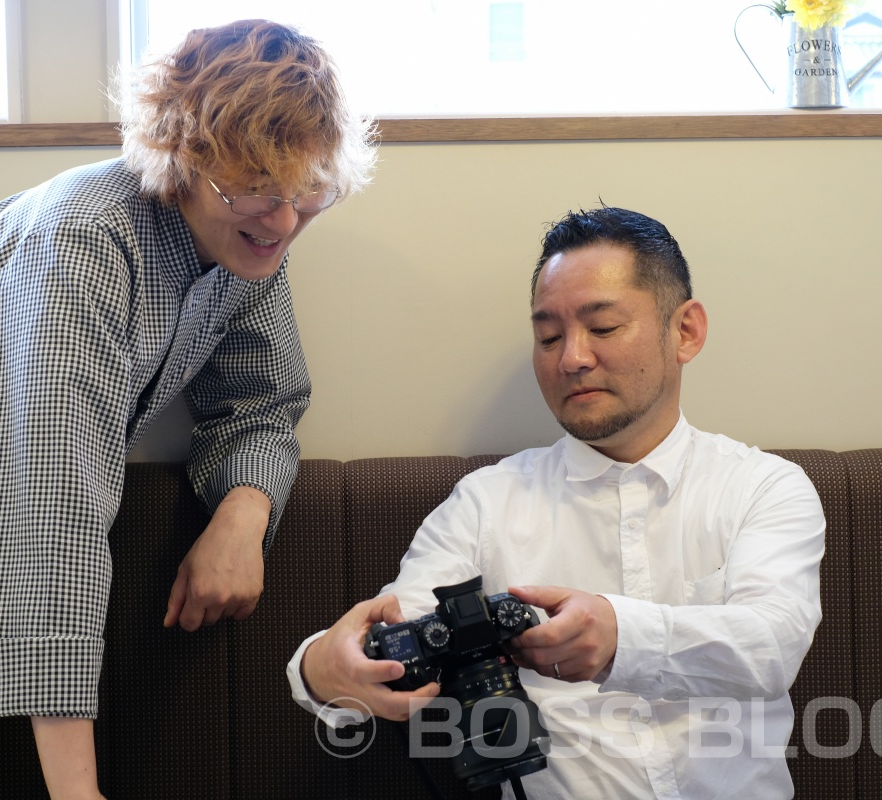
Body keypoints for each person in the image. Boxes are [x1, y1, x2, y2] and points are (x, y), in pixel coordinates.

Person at [0, 19, 375, 799]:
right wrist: (78, 793)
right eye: (253, 189)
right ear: (180, 156)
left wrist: (243, 515)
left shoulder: (247, 251)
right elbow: (47, 508)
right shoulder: (80, 239)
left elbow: (262, 403)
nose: (284, 222)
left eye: (308, 191)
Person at [289, 207, 825, 799]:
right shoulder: (487, 504)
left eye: (602, 328)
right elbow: (401, 625)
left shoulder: (763, 486)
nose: (571, 358)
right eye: (548, 336)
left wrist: (621, 635)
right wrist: (321, 670)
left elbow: (772, 643)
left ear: (686, 331)